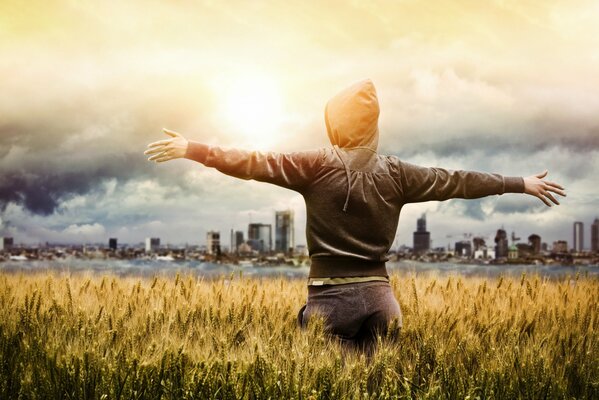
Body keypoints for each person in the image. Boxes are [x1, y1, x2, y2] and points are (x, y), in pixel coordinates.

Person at [144, 79, 566, 357]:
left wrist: (194, 149)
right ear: (374, 125)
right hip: (383, 303)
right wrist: (518, 183)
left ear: (333, 123)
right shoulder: (398, 173)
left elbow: (255, 161)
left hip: (329, 303)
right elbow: (456, 181)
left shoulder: (314, 164)